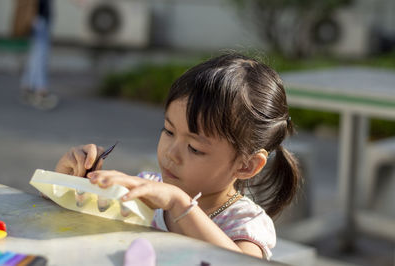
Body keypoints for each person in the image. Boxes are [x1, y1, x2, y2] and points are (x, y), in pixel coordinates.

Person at [54, 53, 300, 259]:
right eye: (169, 131)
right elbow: (65, 225)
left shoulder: (245, 223)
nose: (171, 153)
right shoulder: (147, 189)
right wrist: (70, 181)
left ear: (246, 165)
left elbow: (237, 263)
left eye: (194, 148)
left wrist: (180, 204)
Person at [20, 0, 58, 110]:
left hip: (37, 17)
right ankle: (40, 91)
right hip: (39, 17)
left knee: (35, 54)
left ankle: (27, 87)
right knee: (40, 55)